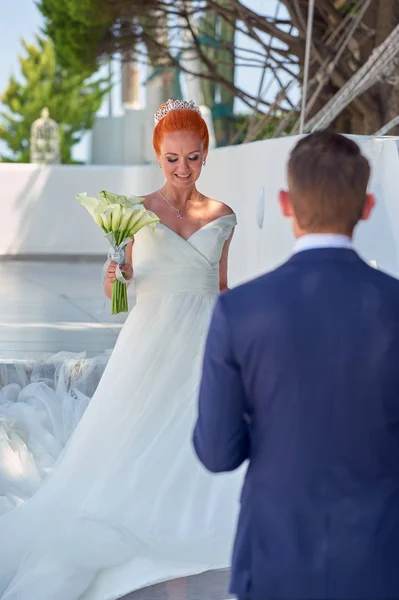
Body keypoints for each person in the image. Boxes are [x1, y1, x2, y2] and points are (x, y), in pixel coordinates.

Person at [0, 99, 243, 600]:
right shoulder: (132, 212)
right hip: (152, 339)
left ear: (205, 155)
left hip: (205, 338)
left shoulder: (224, 216)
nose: (183, 168)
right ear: (158, 155)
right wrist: (113, 276)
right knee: (143, 428)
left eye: (193, 157)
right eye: (172, 158)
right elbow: (123, 285)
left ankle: (196, 515)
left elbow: (222, 288)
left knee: (199, 425)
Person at [194, 131, 399, 600]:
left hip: (273, 559)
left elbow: (216, 452)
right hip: (382, 560)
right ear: (366, 208)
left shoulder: (239, 311)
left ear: (286, 203)